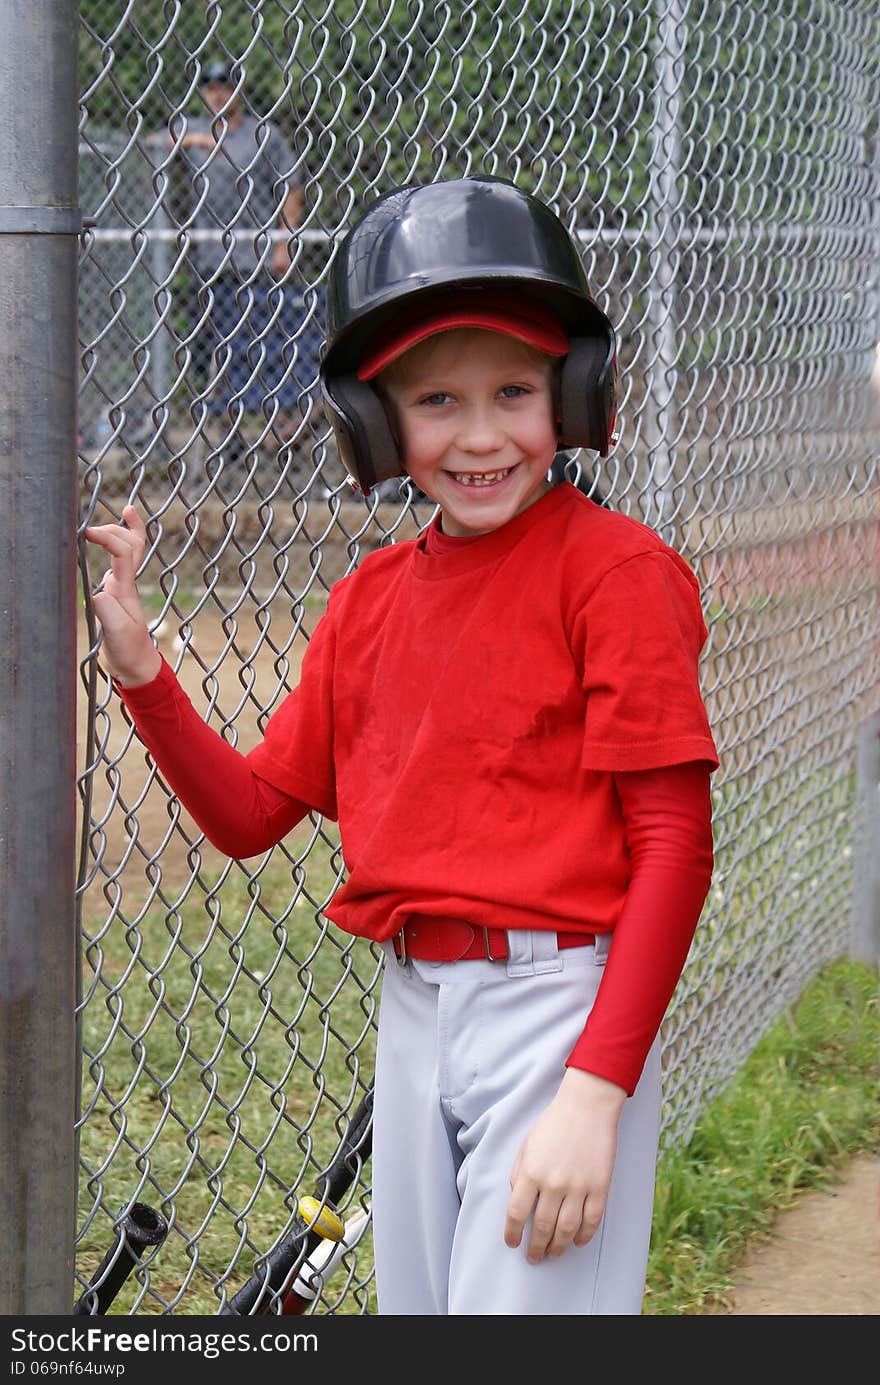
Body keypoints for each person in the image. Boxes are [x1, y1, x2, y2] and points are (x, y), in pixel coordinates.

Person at [83, 175, 719, 1316]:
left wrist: (594, 1088)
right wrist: (144, 673)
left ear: (573, 395)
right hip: (413, 1009)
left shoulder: (613, 574)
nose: (481, 436)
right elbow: (249, 816)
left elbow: (671, 841)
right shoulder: (371, 599)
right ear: (376, 424)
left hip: (554, 1004)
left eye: (516, 390)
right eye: (435, 402)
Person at [169, 59, 324, 462]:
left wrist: (284, 242)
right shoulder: (193, 129)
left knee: (262, 347)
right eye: (211, 88)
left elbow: (292, 186)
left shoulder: (262, 134)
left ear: (238, 91)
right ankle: (229, 439)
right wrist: (196, 142)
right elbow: (155, 140)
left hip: (254, 261)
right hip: (210, 263)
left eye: (225, 87)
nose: (218, 94)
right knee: (217, 354)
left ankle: (279, 440)